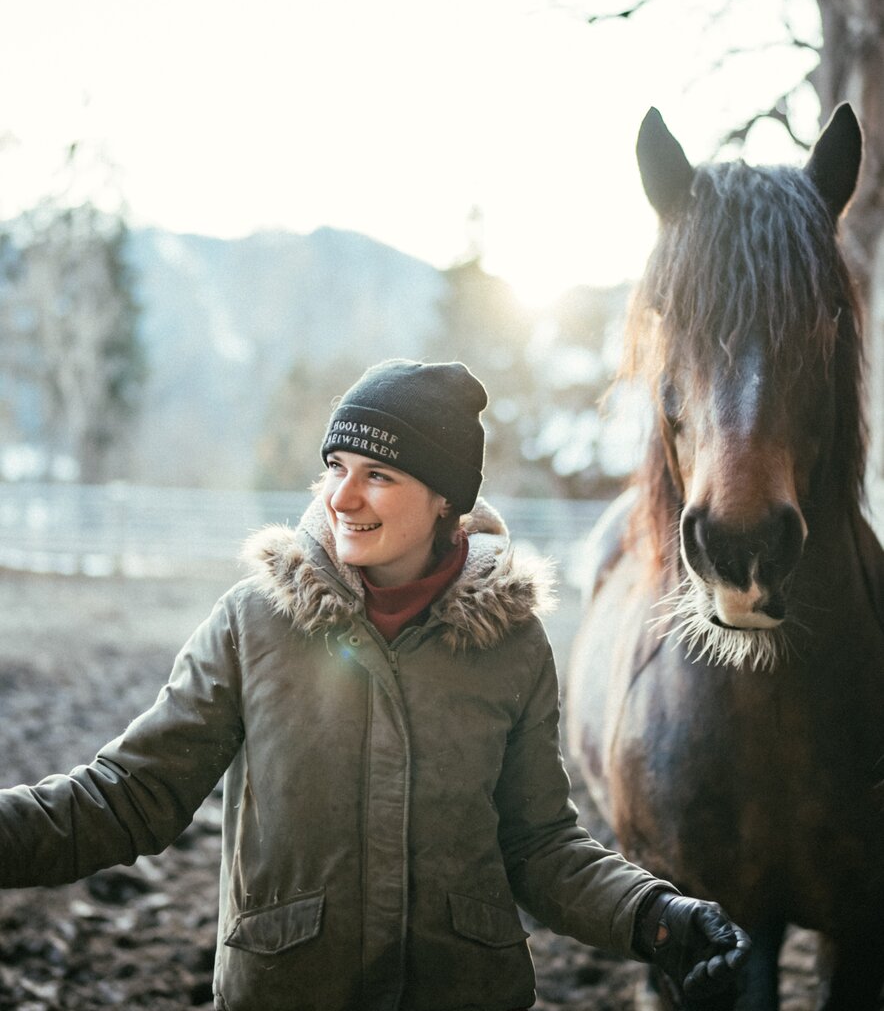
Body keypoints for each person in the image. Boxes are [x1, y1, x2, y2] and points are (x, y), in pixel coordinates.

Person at [0, 359, 750, 1011]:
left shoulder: (510, 645)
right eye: (336, 468)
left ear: (445, 500)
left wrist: (656, 916)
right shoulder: (254, 624)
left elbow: (539, 843)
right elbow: (129, 796)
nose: (342, 498)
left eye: (379, 475)